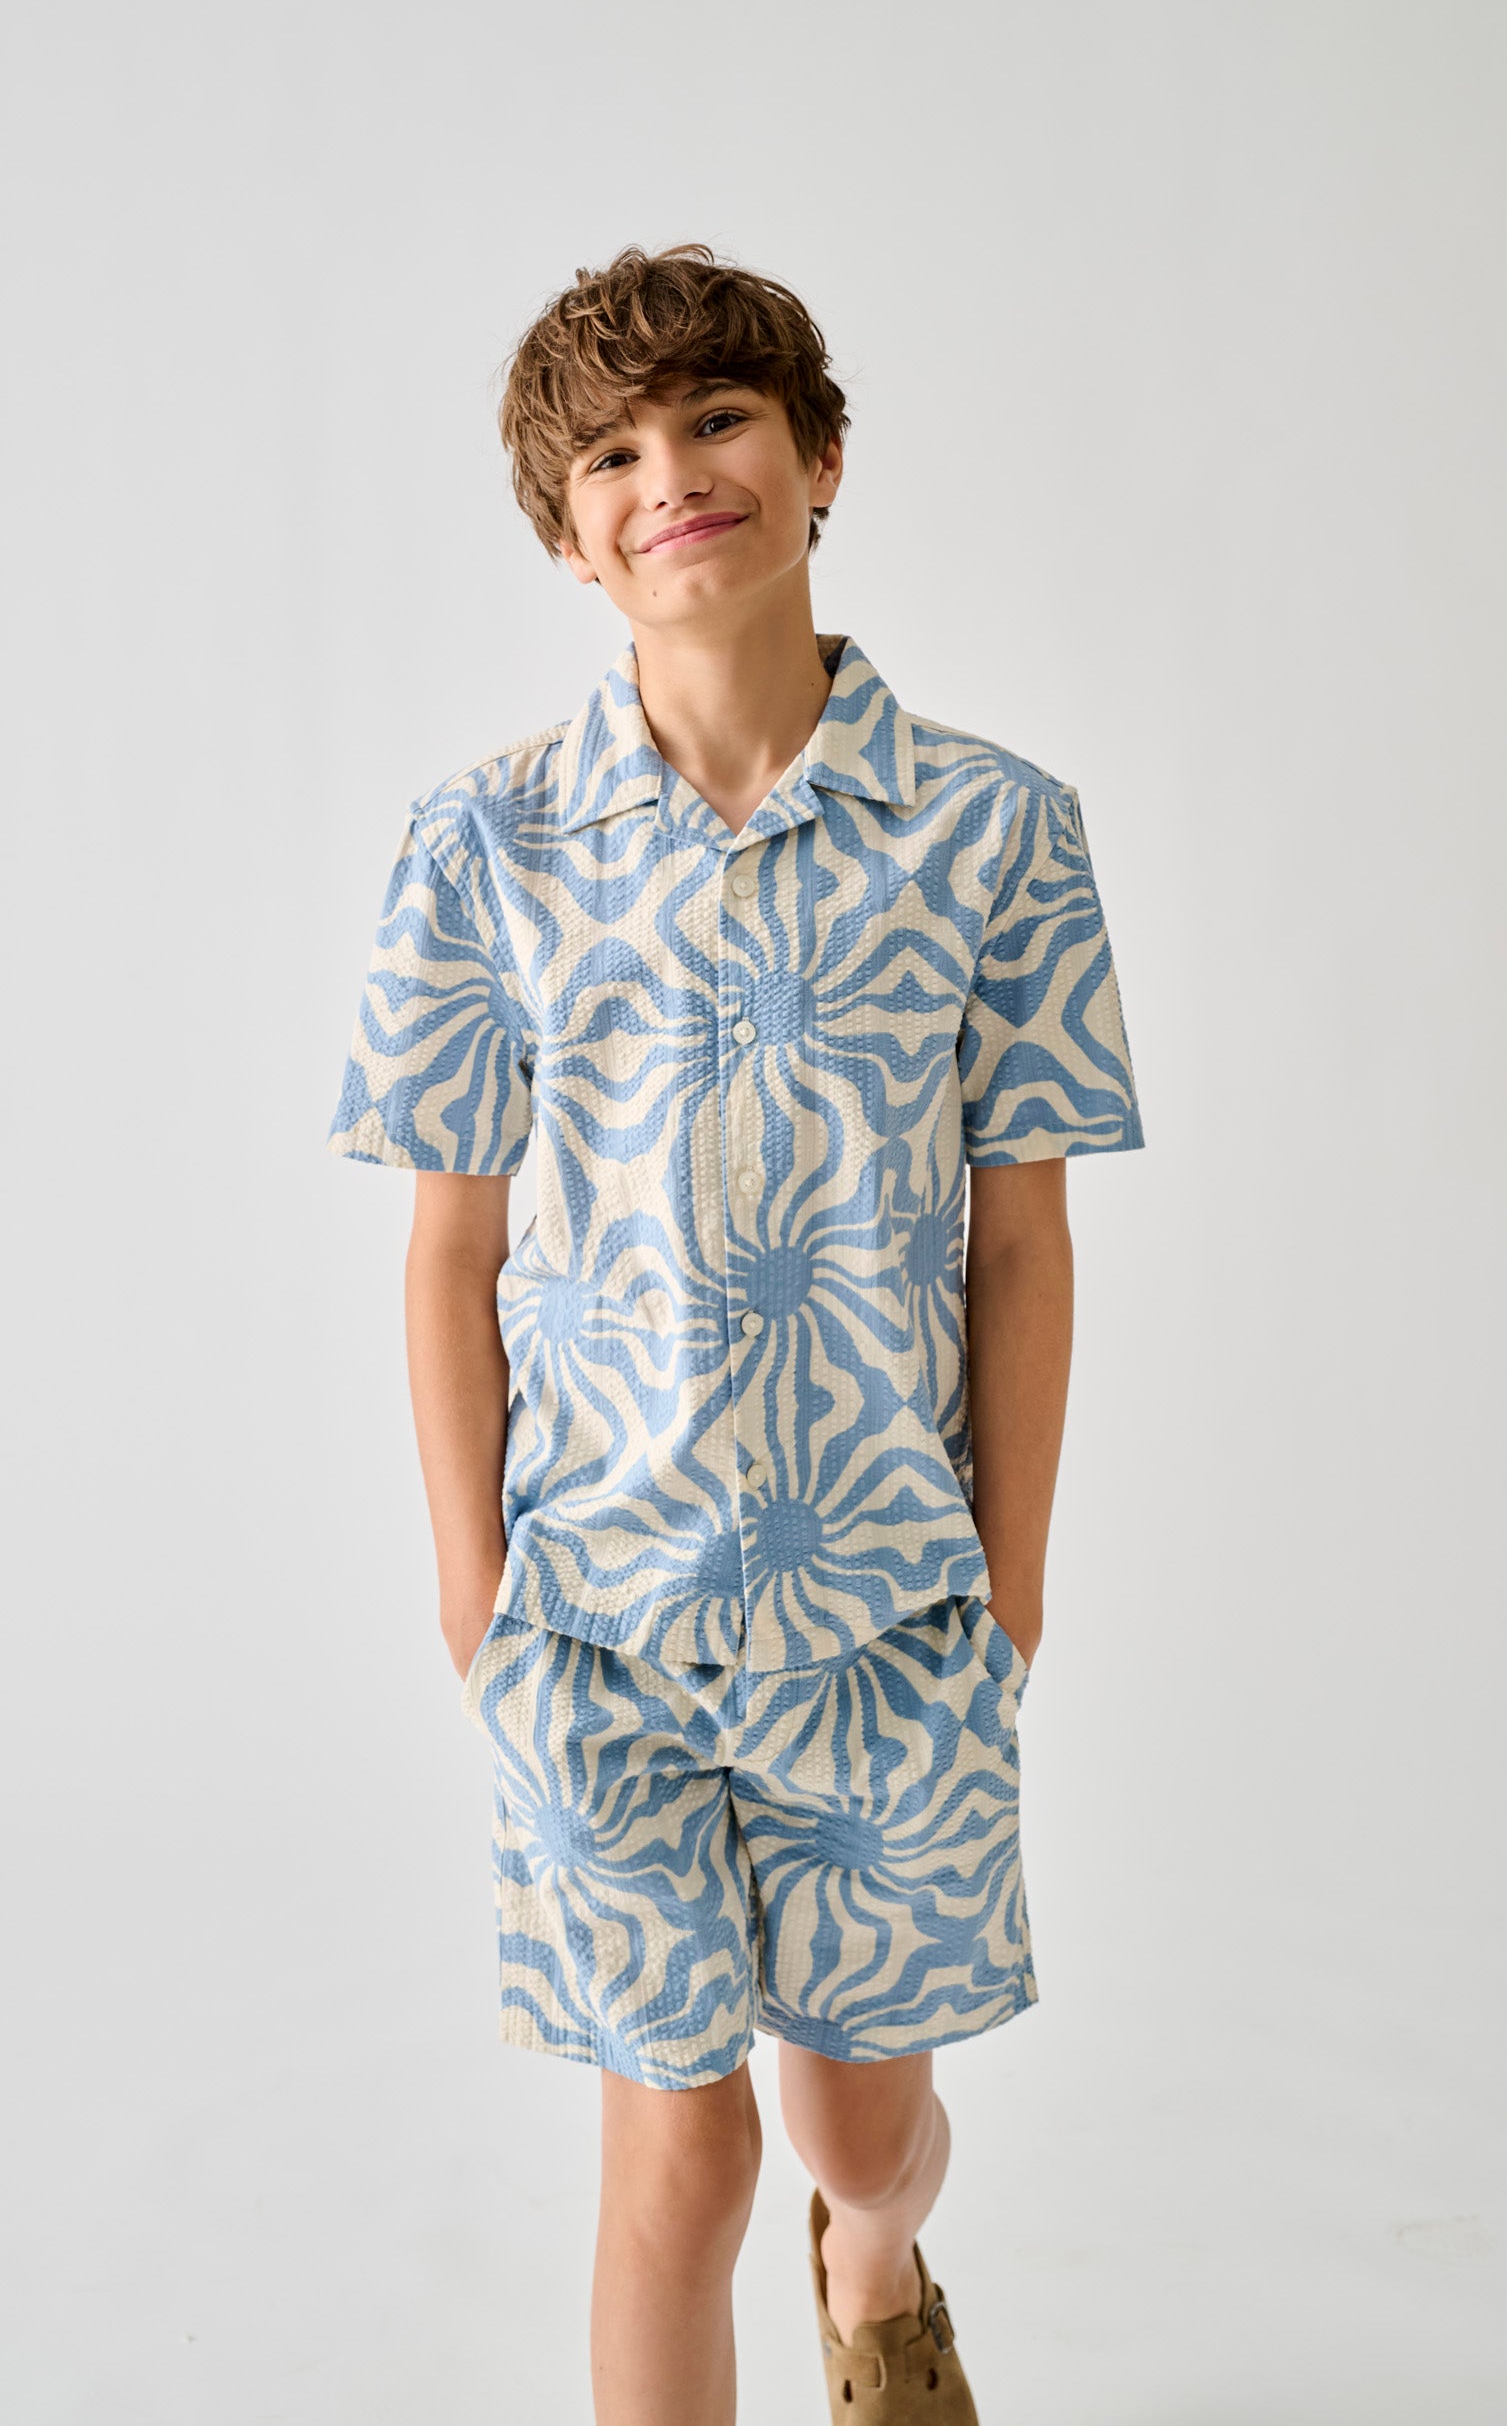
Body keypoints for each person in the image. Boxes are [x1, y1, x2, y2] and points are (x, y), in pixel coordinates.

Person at [326, 240, 1145, 2426]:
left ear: (820, 460)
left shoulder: (996, 833)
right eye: (609, 454)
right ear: (567, 534)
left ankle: (874, 2264)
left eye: (715, 421)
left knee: (853, 2130)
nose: (669, 474)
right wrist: (474, 1592)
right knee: (676, 2159)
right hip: (592, 1616)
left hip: (890, 1614)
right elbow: (447, 1246)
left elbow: (1024, 1242)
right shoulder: (481, 845)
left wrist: (1012, 1578)